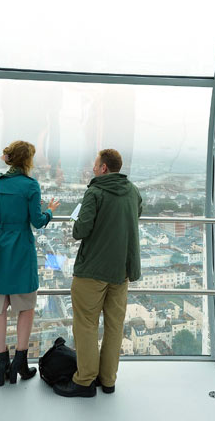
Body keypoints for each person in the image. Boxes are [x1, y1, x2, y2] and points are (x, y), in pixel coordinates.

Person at [54, 148, 142, 398]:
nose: (93, 168)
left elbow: (80, 231)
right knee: (115, 326)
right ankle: (108, 379)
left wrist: (77, 219)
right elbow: (136, 214)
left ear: (104, 168)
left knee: (86, 325)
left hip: (92, 270)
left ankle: (84, 381)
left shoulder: (95, 192)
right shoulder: (133, 191)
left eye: (95, 164)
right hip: (121, 270)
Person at [0, 140, 59, 386]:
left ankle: (2, 364)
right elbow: (36, 221)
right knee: (25, 308)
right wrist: (50, 211)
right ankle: (20, 362)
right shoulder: (30, 186)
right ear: (28, 161)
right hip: (20, 248)